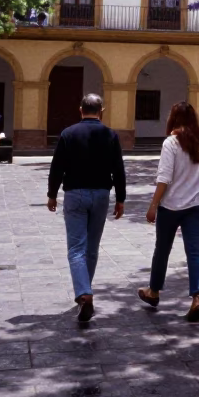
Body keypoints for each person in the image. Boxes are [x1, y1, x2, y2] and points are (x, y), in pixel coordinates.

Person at [46, 94, 126, 323]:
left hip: (75, 194)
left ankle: (84, 293)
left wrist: (52, 194)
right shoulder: (110, 135)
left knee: (76, 248)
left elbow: (57, 167)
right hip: (101, 194)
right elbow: (118, 169)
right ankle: (85, 292)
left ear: (80, 109)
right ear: (102, 110)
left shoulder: (68, 134)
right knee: (91, 248)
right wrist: (121, 198)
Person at [138, 102, 199, 322]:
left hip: (170, 206)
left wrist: (152, 206)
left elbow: (164, 178)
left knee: (162, 249)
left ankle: (154, 291)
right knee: (194, 251)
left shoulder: (171, 143)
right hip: (197, 205)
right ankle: (197, 298)